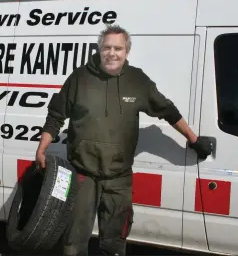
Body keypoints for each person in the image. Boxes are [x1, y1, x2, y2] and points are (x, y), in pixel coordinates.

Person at [35, 24, 213, 256]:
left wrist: (193, 139)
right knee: (73, 242)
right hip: (82, 175)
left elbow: (168, 111)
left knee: (114, 243)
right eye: (107, 47)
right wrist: (41, 149)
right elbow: (56, 115)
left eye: (118, 48)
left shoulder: (137, 80)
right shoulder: (80, 78)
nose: (112, 53)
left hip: (119, 177)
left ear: (126, 51)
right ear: (99, 49)